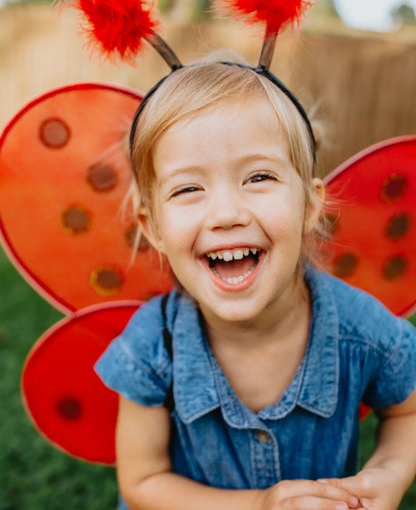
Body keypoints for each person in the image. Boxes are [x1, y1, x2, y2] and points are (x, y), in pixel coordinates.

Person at [95, 57, 416, 510]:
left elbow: (409, 410)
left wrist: (389, 473)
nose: (227, 214)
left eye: (258, 177)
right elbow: (143, 482)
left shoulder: (361, 330)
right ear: (155, 230)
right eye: (188, 189)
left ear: (308, 204)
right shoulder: (154, 345)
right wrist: (258, 506)